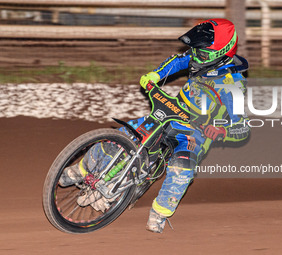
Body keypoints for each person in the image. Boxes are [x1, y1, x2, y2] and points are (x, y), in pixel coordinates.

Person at [59, 18, 250, 233]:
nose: (195, 56)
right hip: (171, 110)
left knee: (182, 168)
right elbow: (179, 60)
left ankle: (160, 213)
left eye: (201, 54)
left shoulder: (233, 86)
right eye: (194, 50)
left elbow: (243, 129)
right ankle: (80, 170)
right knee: (121, 136)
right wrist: (155, 75)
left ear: (221, 53)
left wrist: (221, 130)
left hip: (195, 132)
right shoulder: (200, 55)